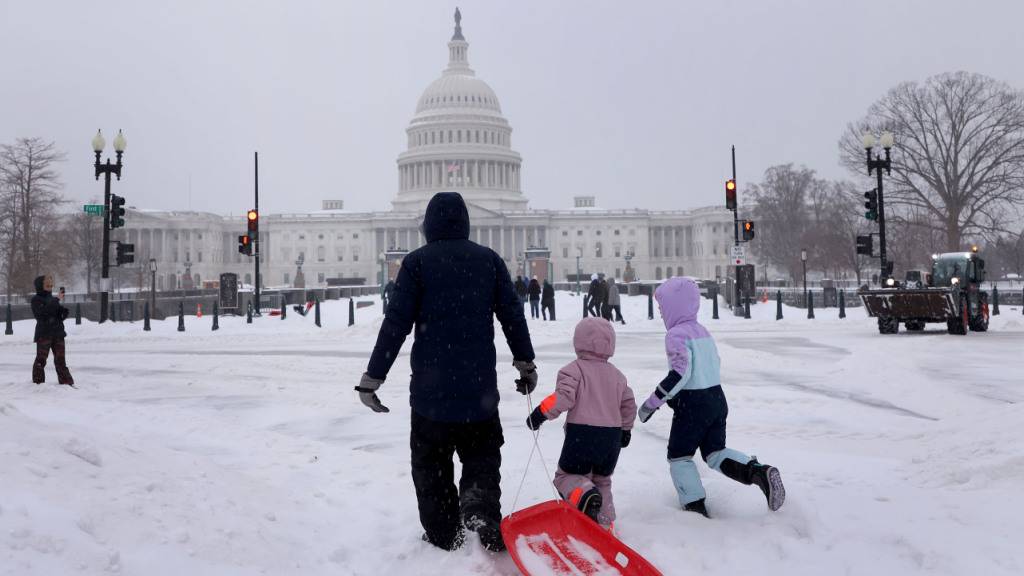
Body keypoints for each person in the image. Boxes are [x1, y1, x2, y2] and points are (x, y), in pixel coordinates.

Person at [356, 192, 537, 553]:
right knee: (482, 457)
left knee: (431, 466)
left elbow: (395, 325)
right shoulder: (489, 261)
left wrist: (373, 378)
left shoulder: (417, 264)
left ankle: (443, 532)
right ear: (466, 223)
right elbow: (512, 316)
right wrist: (525, 362)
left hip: (430, 394)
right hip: (479, 391)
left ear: (428, 226)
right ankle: (479, 506)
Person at [637, 277, 784, 517]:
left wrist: (653, 403)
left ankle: (695, 508)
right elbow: (714, 363)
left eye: (663, 308)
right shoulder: (702, 331)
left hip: (692, 405)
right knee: (715, 453)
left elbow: (680, 373)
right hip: (716, 399)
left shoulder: (676, 334)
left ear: (674, 307)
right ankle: (758, 472)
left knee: (679, 456)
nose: (662, 314)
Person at [526, 317, 636, 530]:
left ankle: (586, 495)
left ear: (579, 342)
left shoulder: (574, 369)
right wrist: (626, 429)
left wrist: (540, 413)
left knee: (566, 477)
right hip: (611, 439)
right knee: (603, 480)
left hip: (582, 435)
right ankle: (604, 524)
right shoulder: (617, 376)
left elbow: (564, 397)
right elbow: (629, 404)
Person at [31, 275, 74, 386]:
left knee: (60, 360)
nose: (50, 287)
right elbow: (42, 314)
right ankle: (38, 383)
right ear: (41, 286)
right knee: (41, 360)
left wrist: (63, 313)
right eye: (47, 285)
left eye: (51, 285)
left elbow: (55, 314)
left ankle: (66, 383)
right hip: (44, 334)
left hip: (58, 333)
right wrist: (56, 300)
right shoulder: (36, 300)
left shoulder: (52, 299)